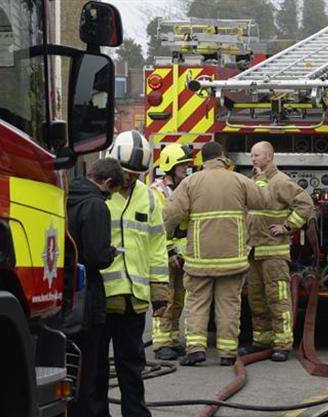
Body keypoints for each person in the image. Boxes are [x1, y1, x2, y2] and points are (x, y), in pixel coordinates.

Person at [164, 141, 267, 366]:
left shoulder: (190, 182)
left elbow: (170, 215)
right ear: (222, 157)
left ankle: (196, 350)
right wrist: (258, 179)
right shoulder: (240, 180)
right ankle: (228, 353)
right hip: (233, 259)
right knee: (229, 305)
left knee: (198, 303)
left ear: (203, 159)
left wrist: (166, 241)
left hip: (200, 259)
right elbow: (261, 201)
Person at [97, 130, 169, 417]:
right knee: (96, 369)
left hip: (133, 301)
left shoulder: (148, 199)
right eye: (126, 173)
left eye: (136, 174)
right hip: (100, 297)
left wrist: (160, 291)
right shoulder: (98, 195)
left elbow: (157, 246)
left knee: (132, 368)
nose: (130, 179)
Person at [239, 141, 314, 362]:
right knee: (257, 299)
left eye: (257, 155)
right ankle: (261, 340)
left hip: (274, 252)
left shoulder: (280, 181)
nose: (253, 159)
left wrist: (288, 227)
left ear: (270, 157)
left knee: (277, 299)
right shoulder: (255, 182)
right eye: (251, 155)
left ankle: (282, 344)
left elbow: (305, 204)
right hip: (254, 252)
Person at [67, 157, 124, 417]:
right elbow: (96, 256)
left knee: (71, 361)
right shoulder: (96, 206)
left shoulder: (68, 195)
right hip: (88, 295)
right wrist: (112, 251)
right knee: (91, 364)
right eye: (112, 193)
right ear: (108, 182)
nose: (110, 198)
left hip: (66, 291)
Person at [150, 144, 194, 361]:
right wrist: (169, 253)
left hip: (180, 256)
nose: (185, 171)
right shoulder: (157, 193)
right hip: (164, 255)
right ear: (170, 167)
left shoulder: (181, 191)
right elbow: (159, 227)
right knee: (164, 298)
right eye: (182, 167)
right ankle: (161, 343)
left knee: (178, 299)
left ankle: (172, 339)